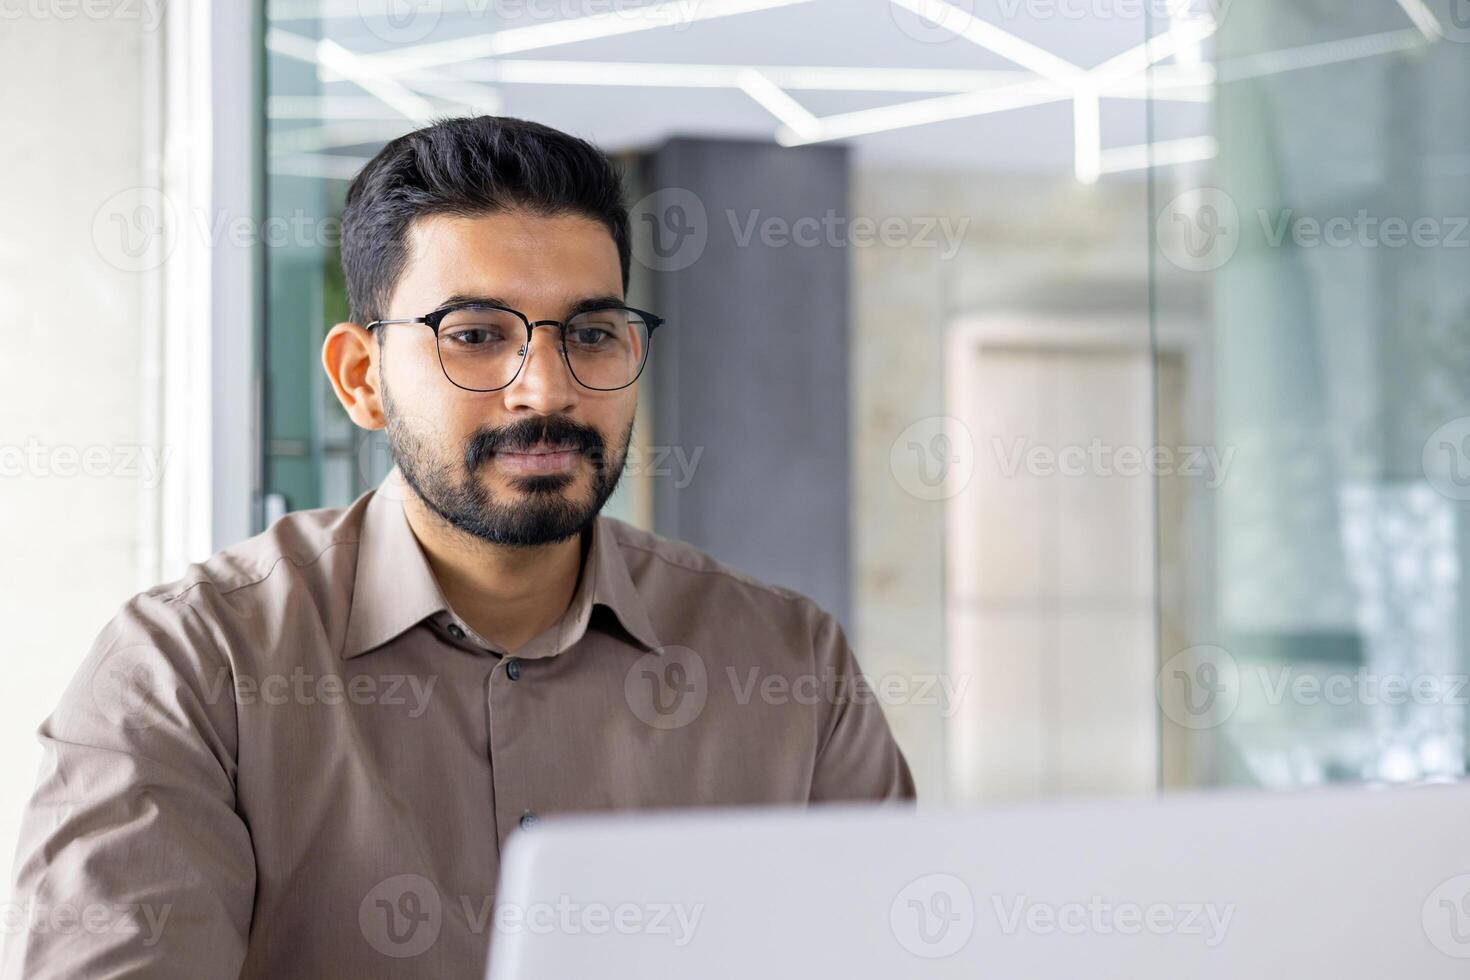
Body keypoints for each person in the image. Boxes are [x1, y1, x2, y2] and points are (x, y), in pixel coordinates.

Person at [4, 115, 914, 978]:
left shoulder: (787, 663)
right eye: (476, 336)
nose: (545, 390)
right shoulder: (193, 669)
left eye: (592, 333)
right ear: (362, 378)